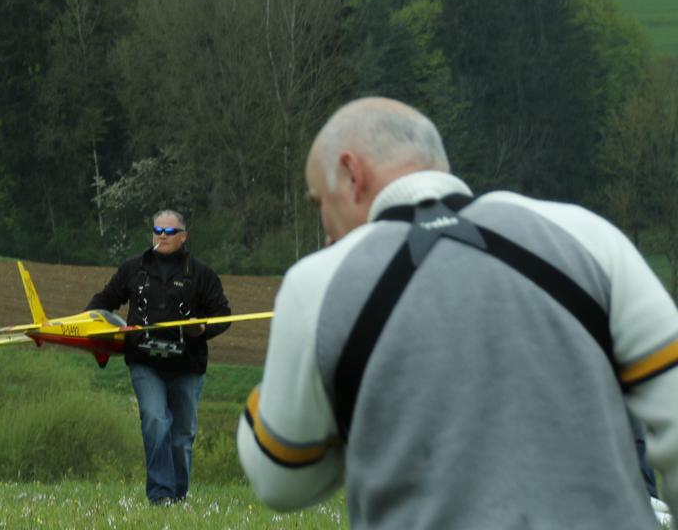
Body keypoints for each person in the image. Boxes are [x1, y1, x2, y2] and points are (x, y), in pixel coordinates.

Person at [237, 97, 678, 528]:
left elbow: (280, 480)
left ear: (352, 174)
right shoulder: (590, 234)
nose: (327, 235)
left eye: (319, 204)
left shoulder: (316, 282)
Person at [86, 208, 233, 505]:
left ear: (183, 237)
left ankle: (178, 496)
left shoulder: (202, 274)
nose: (162, 237)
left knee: (181, 436)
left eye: (169, 232)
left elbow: (223, 315)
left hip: (187, 365)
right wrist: (89, 323)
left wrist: (202, 329)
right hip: (145, 362)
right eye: (157, 231)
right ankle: (160, 495)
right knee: (155, 420)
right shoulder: (133, 268)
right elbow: (104, 300)